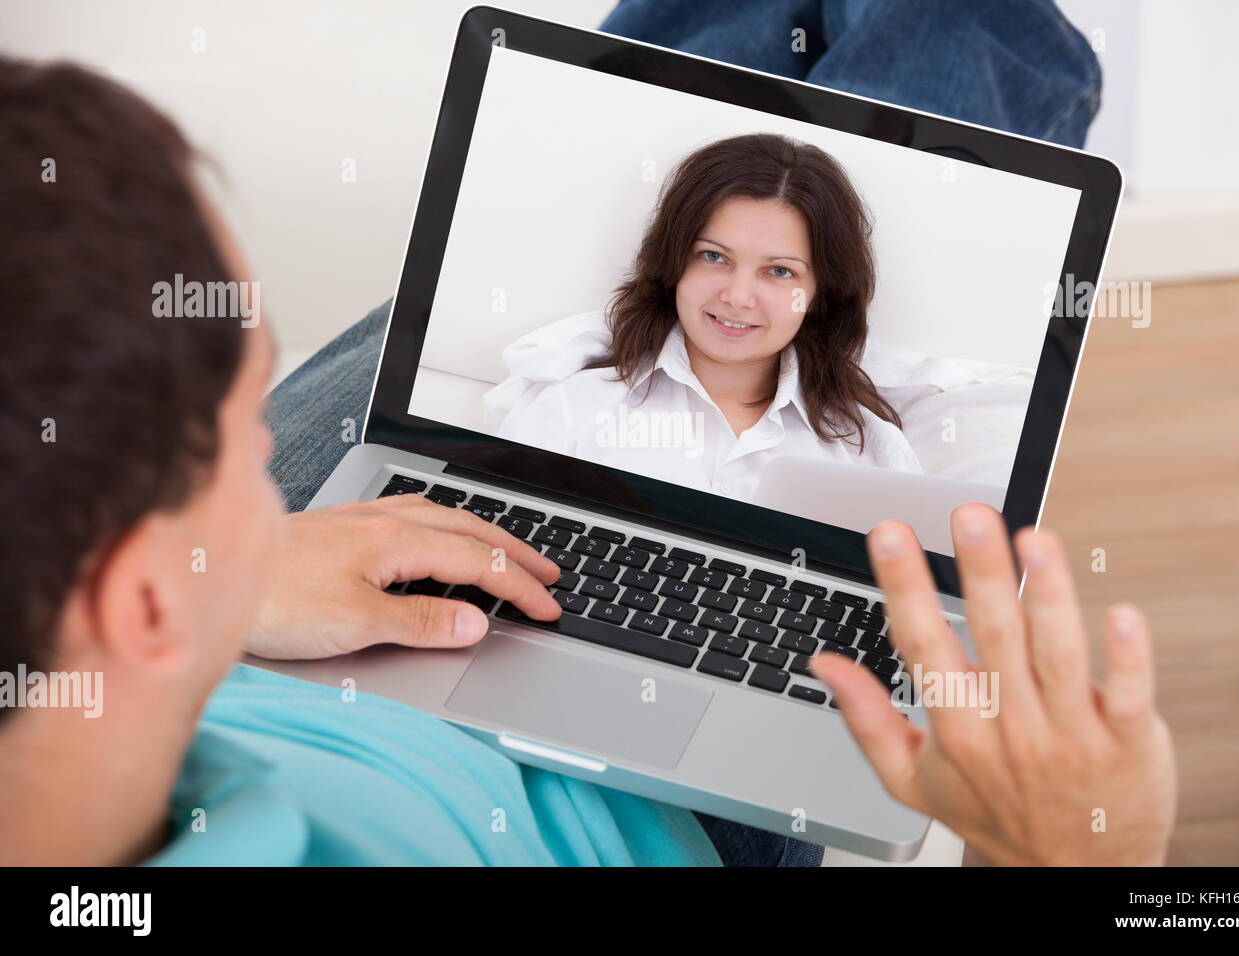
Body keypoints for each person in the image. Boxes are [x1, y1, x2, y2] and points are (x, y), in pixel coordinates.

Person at [1, 0, 1176, 868]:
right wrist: (1084, 854)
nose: (270, 445)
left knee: (727, 71)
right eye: (233, 440)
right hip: (631, 788)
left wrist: (232, 594)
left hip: (217, 655)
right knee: (934, 41)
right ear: (140, 598)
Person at [493, 133, 924, 500]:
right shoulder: (572, 405)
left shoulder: (870, 455)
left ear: (818, 294)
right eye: (714, 256)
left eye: (779, 271)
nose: (737, 297)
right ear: (676, 262)